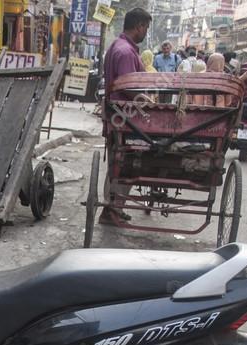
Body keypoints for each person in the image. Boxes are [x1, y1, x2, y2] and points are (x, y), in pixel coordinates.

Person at [99, 7, 150, 225]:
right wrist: (149, 102)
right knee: (127, 166)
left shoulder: (116, 47)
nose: (146, 32)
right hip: (126, 120)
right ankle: (113, 211)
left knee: (116, 166)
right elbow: (130, 87)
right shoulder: (126, 52)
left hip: (117, 117)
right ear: (139, 26)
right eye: (146, 27)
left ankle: (111, 209)